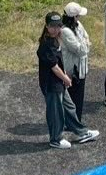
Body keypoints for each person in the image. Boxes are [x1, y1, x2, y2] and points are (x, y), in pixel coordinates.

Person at [37, 12, 99, 150]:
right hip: (51, 85)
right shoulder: (46, 44)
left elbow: (59, 62)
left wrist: (64, 75)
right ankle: (55, 139)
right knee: (56, 112)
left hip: (58, 83)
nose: (56, 29)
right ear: (47, 26)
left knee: (70, 107)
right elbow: (53, 67)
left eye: (58, 26)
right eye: (52, 26)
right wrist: (65, 78)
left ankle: (81, 133)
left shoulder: (56, 39)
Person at [60, 2, 92, 122]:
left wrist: (84, 42)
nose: (79, 18)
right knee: (74, 98)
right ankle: (72, 122)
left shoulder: (78, 25)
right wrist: (85, 43)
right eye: (78, 16)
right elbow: (80, 50)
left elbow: (86, 36)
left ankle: (75, 121)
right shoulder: (65, 31)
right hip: (73, 70)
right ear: (73, 17)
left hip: (81, 68)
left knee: (79, 98)